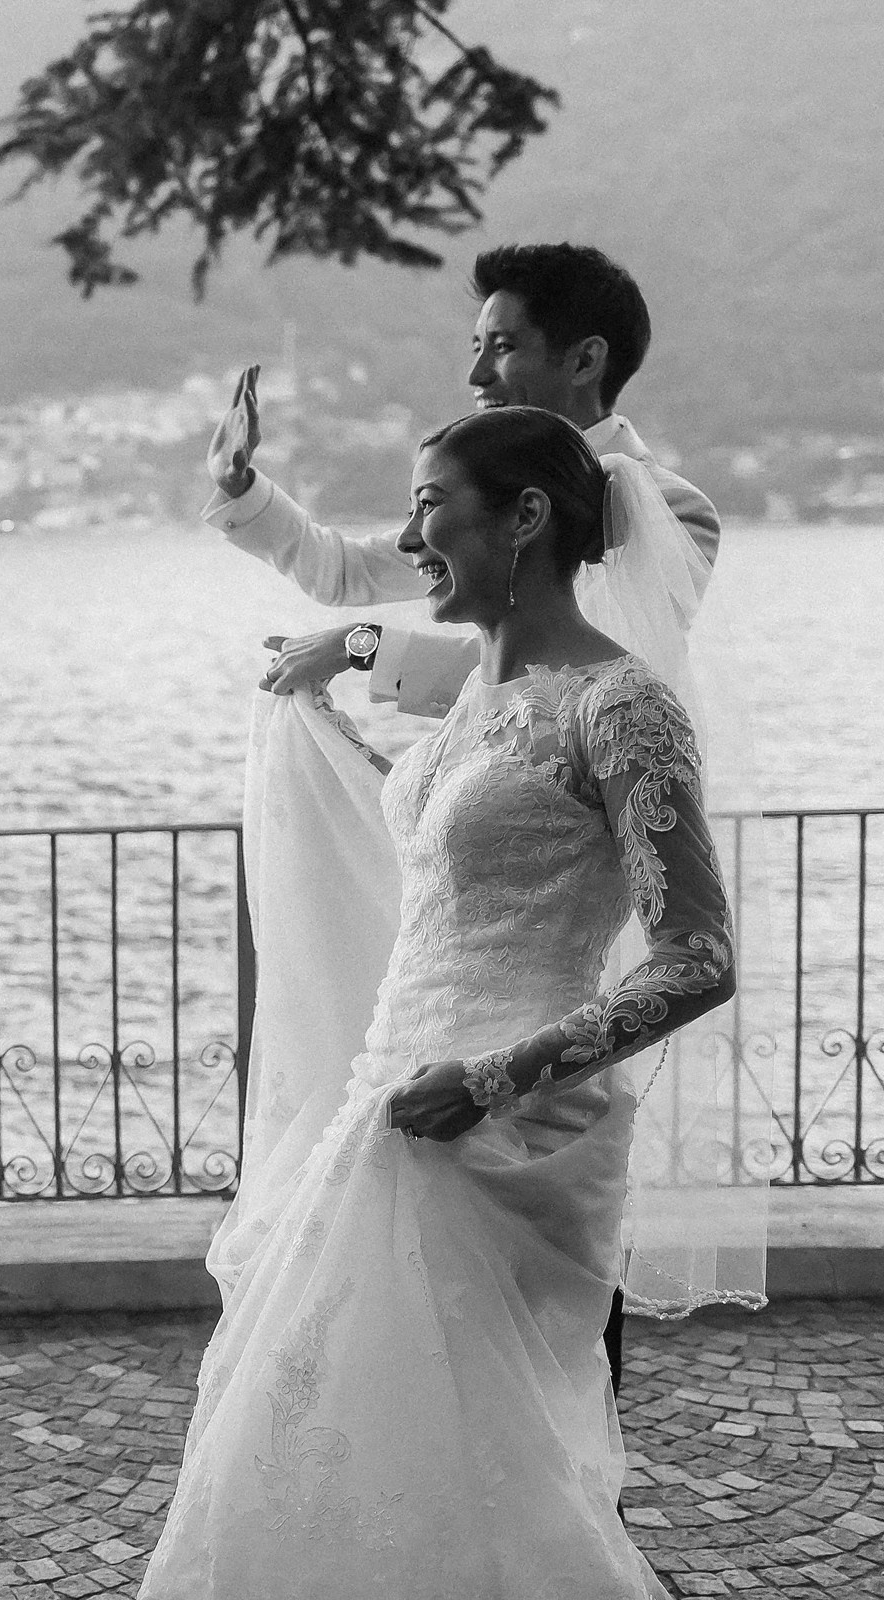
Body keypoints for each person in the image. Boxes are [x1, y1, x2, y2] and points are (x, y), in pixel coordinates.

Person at [139, 408, 737, 1597]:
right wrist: (324, 744)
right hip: (389, 1098)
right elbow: (463, 863)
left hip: (501, 1129)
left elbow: (698, 955)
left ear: (523, 517)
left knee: (482, 1465)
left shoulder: (623, 706)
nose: (411, 537)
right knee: (302, 1429)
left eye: (428, 506)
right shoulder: (477, 700)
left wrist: (497, 1076)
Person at [206, 243, 722, 712]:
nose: (476, 377)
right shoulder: (479, 492)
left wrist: (362, 645)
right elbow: (347, 572)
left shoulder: (671, 510)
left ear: (585, 359)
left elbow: (578, 674)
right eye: (476, 347)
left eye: (502, 347)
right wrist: (240, 486)